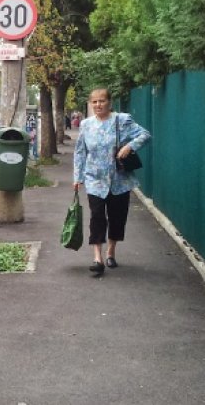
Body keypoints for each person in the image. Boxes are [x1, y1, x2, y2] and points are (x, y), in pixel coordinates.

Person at [72, 88, 150, 275]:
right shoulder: (86, 125)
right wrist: (78, 177)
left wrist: (130, 146)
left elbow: (145, 134)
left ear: (109, 102)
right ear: (91, 104)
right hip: (94, 180)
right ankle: (97, 258)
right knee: (97, 216)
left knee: (117, 218)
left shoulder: (122, 120)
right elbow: (80, 151)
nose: (98, 105)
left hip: (119, 180)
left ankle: (111, 251)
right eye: (95, 102)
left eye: (102, 101)